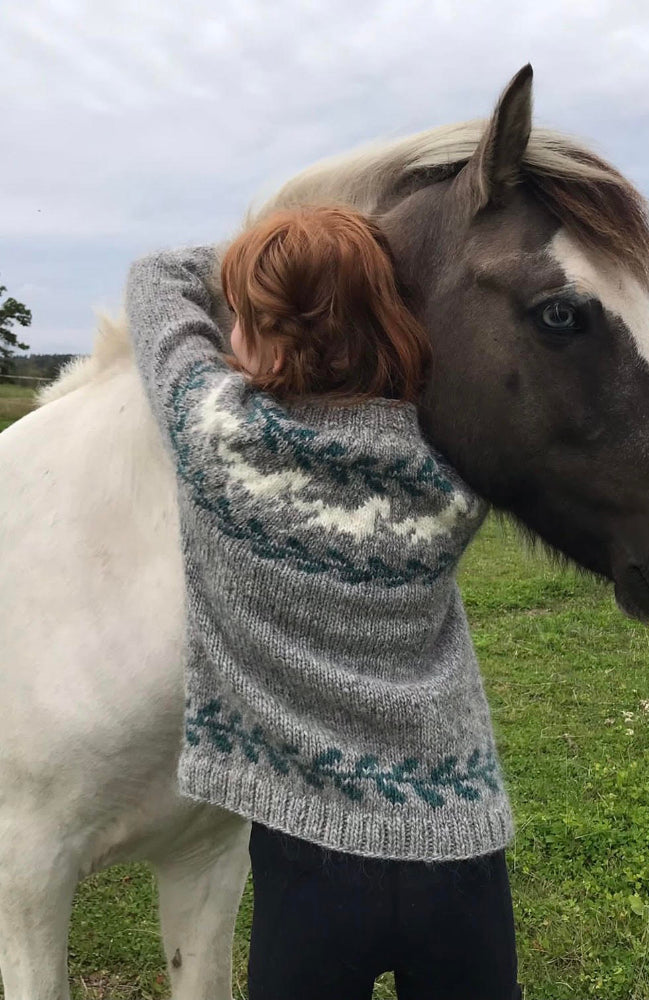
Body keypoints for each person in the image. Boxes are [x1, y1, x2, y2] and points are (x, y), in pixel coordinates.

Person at [124, 206, 521, 1000]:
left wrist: (260, 250)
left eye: (244, 318)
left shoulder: (218, 442)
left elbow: (154, 280)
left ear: (272, 335)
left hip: (308, 859)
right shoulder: (452, 465)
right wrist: (380, 256)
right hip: (459, 848)